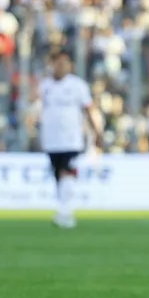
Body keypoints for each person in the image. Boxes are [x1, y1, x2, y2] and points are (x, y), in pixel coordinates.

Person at [36, 50, 103, 229]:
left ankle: (66, 213)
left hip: (71, 138)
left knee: (67, 172)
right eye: (57, 63)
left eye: (64, 63)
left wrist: (96, 132)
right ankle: (64, 210)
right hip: (51, 139)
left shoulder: (77, 85)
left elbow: (88, 109)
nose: (60, 66)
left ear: (70, 66)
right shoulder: (45, 86)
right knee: (58, 175)